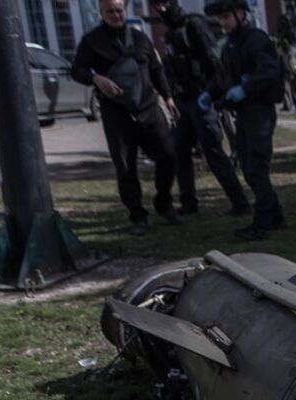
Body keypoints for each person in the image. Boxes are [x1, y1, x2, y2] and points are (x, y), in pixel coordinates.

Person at [70, 0, 180, 235]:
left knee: (168, 156)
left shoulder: (140, 38)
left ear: (125, 10)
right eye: (110, 11)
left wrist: (168, 97)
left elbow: (156, 69)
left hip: (148, 108)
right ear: (101, 12)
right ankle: (138, 215)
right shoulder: (92, 41)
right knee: (126, 166)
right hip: (117, 113)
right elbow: (77, 70)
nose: (116, 15)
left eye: (119, 10)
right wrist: (96, 79)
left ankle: (164, 203)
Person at [156, 0, 249, 218]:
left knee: (213, 151)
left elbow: (214, 61)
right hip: (183, 100)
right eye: (156, 6)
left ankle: (240, 203)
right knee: (179, 150)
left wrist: (212, 95)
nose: (160, 9)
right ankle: (188, 202)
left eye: (163, 4)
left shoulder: (193, 25)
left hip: (201, 97)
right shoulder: (170, 33)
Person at [204, 0, 284, 240]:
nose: (223, 22)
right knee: (249, 167)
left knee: (255, 168)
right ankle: (276, 216)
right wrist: (210, 93)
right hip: (245, 113)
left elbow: (269, 71)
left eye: (226, 17)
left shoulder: (255, 39)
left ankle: (262, 223)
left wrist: (246, 88)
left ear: (241, 14)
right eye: (220, 18)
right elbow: (224, 76)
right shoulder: (232, 43)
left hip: (259, 111)